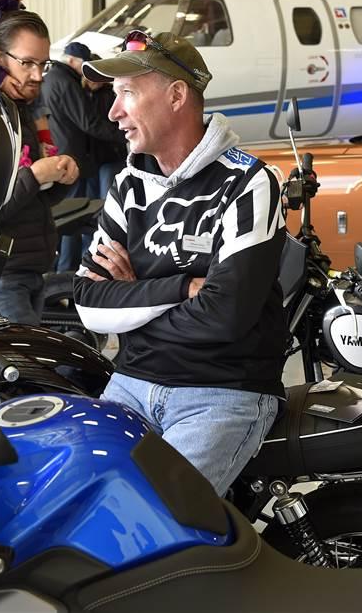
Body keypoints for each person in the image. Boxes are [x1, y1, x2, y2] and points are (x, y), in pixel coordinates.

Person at [73, 31, 287, 493]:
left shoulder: (251, 183)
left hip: (221, 395)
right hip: (130, 382)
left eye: (127, 93)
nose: (114, 112)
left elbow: (224, 316)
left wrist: (130, 301)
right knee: (75, 500)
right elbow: (88, 302)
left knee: (149, 521)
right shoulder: (129, 186)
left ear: (176, 95)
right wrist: (180, 287)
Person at [0, 11, 79, 325]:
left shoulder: (22, 111)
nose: (38, 75)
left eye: (43, 64)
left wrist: (60, 178)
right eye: (27, 63)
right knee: (21, 372)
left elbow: (32, 202)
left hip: (25, 268)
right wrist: (35, 175)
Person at [44, 41, 127, 272]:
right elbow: (88, 122)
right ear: (74, 62)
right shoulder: (67, 83)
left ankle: (68, 268)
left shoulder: (51, 79)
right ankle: (68, 271)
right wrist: (125, 137)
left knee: (78, 214)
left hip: (88, 159)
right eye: (86, 68)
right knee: (74, 217)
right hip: (75, 159)